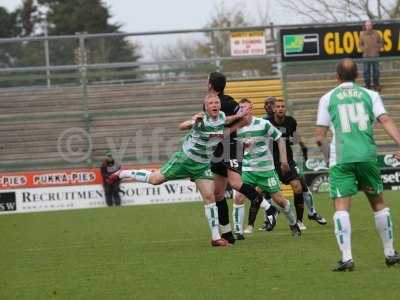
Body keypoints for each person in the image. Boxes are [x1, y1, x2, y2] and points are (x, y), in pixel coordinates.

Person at [109, 93, 248, 247]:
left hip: (202, 165)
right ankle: (123, 173)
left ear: (220, 105)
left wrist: (238, 116)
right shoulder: (202, 119)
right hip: (185, 160)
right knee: (155, 180)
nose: (214, 105)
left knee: (210, 198)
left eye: (216, 102)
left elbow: (226, 120)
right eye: (211, 103)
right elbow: (182, 126)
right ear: (206, 106)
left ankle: (216, 238)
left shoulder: (221, 116)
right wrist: (193, 121)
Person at [315, 58, 400, 271]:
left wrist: (328, 157)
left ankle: (347, 258)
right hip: (367, 156)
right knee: (378, 203)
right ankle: (390, 253)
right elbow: (386, 120)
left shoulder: (328, 98)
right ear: (357, 76)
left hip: (341, 159)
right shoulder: (370, 95)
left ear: (336, 77)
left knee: (341, 207)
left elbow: (319, 136)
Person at [208, 72, 275, 243]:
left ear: (210, 84)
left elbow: (244, 118)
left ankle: (268, 207)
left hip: (232, 147)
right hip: (217, 150)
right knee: (218, 195)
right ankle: (227, 233)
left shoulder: (228, 102)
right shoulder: (212, 102)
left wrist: (228, 132)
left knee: (236, 183)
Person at [232, 98, 301, 238]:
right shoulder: (236, 127)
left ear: (250, 109)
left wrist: (283, 160)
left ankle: (293, 223)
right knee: (239, 197)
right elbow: (232, 147)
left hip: (266, 170)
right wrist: (241, 146)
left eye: (245, 108)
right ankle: (238, 232)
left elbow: (279, 138)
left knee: (279, 200)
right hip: (247, 169)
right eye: (240, 108)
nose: (242, 110)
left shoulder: (263, 124)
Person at [359, 20, 383, 91]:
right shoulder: (362, 34)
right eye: (367, 25)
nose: (369, 26)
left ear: (372, 25)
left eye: (370, 25)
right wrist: (364, 49)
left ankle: (376, 85)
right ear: (365, 26)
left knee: (376, 71)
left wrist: (378, 48)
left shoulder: (377, 33)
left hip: (375, 55)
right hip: (366, 55)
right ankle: (367, 86)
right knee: (366, 71)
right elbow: (360, 44)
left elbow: (381, 42)